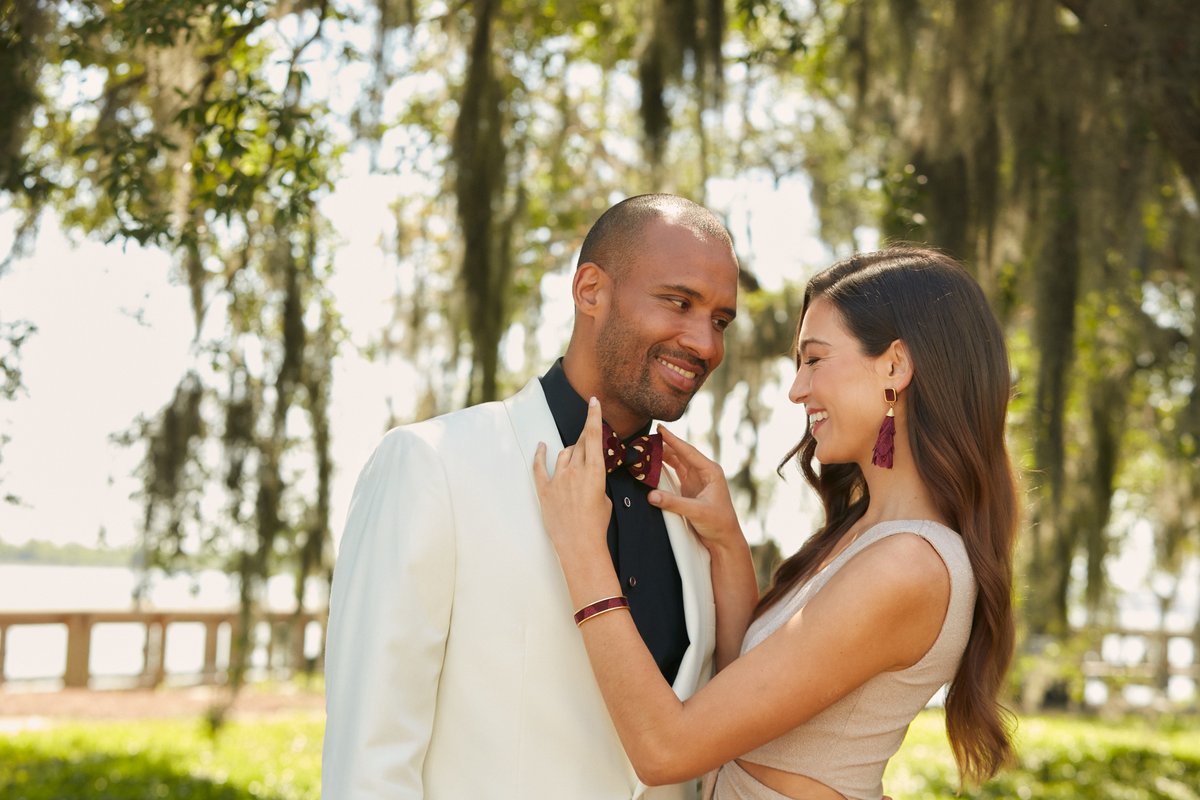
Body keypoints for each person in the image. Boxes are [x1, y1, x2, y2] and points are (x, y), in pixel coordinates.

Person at [534, 247, 1018, 800]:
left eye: (814, 360)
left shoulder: (908, 564)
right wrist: (726, 545)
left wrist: (583, 552)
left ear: (894, 366)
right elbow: (750, 693)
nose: (796, 389)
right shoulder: (868, 535)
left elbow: (666, 749)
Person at [321, 193, 741, 799]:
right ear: (590, 290)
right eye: (679, 302)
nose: (704, 344)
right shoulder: (433, 465)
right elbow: (370, 762)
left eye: (720, 321)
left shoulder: (692, 504)